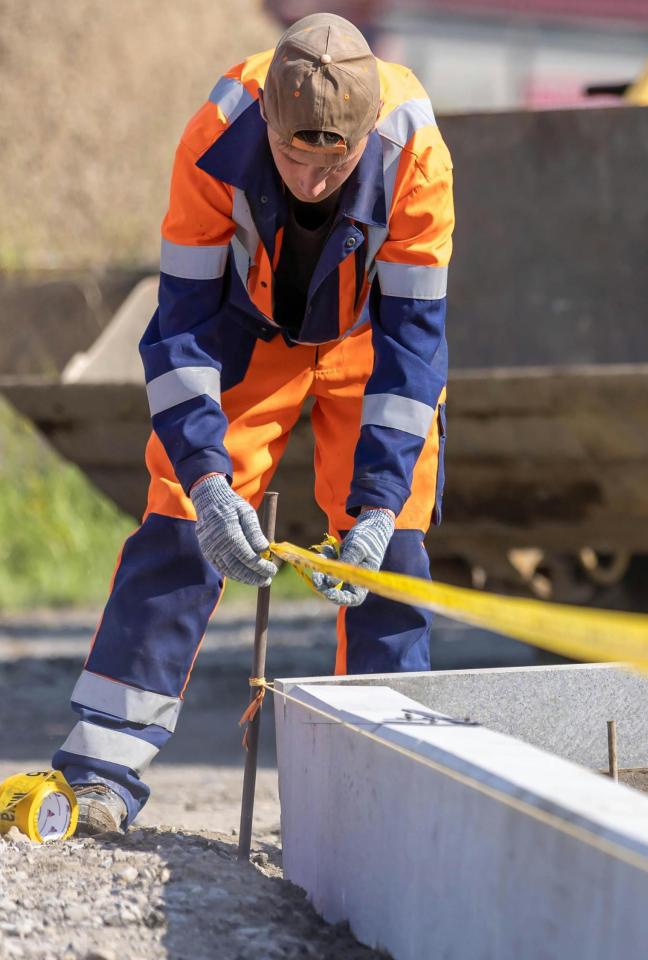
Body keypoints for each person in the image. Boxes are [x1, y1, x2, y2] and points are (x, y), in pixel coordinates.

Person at [56, 12, 453, 835]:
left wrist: (378, 504)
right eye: (291, 160)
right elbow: (180, 328)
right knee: (177, 530)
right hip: (247, 333)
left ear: (365, 135)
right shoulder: (215, 137)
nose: (310, 182)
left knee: (395, 559)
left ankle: (380, 808)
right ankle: (102, 773)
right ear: (267, 123)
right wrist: (205, 478)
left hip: (366, 340)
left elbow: (415, 348)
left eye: (332, 163)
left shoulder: (416, 154)